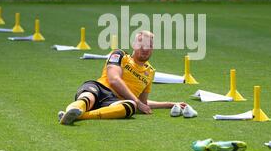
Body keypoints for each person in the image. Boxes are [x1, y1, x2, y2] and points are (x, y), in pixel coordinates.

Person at [58, 31, 186, 125]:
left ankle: (75, 116)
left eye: (149, 46)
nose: (145, 49)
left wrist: (170, 104)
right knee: (88, 98)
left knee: (130, 106)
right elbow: (114, 80)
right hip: (99, 89)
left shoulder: (150, 72)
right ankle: (72, 111)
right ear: (134, 44)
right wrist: (138, 103)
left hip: (114, 103)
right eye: (142, 45)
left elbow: (144, 104)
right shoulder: (119, 54)